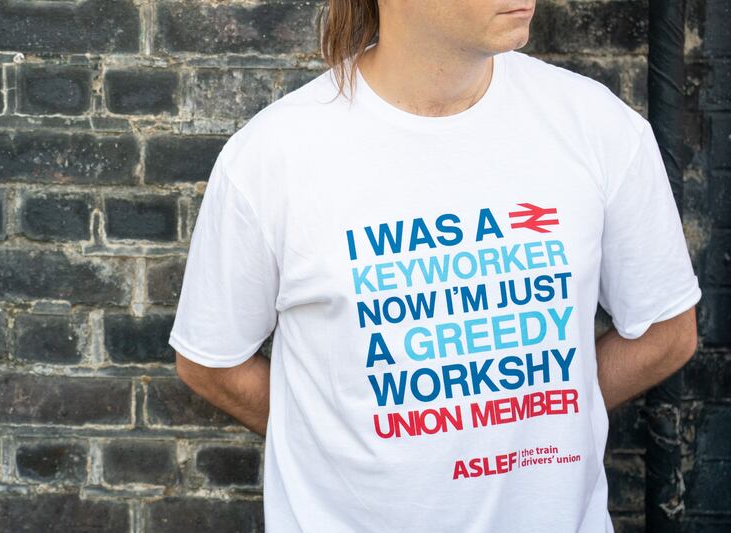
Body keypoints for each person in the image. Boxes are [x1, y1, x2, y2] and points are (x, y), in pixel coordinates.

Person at [168, 1, 701, 531]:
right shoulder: (273, 157)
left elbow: (668, 331)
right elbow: (211, 362)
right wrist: (335, 439)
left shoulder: (596, 126)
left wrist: (534, 418)